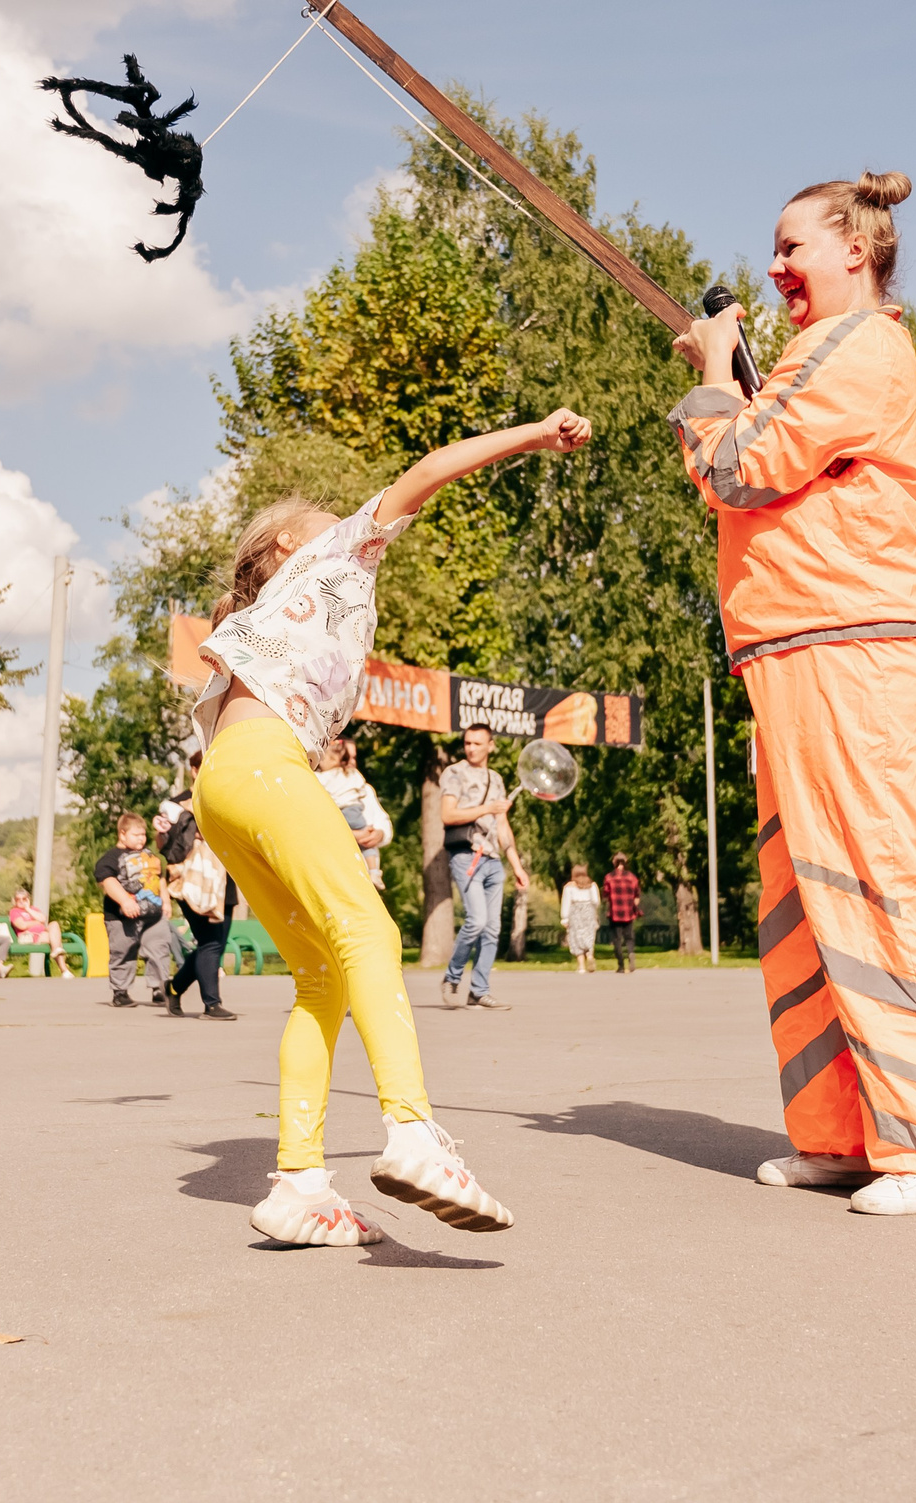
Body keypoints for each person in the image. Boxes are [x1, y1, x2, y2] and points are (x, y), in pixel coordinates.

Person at [671, 170, 916, 1217]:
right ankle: (846, 1137)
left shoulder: (863, 348)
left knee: (877, 889)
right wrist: (728, 381)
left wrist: (715, 374)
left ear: (856, 248)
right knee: (807, 908)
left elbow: (741, 470)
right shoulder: (816, 355)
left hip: (867, 652)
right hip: (798, 650)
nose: (774, 268)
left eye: (792, 246)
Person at [191, 405, 591, 1246]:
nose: (347, 524)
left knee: (320, 978)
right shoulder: (328, 561)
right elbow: (428, 469)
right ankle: (412, 1132)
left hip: (224, 783)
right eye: (323, 522)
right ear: (280, 552)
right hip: (266, 766)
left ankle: (298, 1182)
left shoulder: (259, 620)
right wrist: (532, 435)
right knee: (368, 931)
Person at [437, 723, 528, 1011]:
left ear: (491, 746)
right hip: (466, 856)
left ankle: (479, 991)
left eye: (478, 743)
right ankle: (452, 976)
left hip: (492, 861)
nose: (471, 748)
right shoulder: (454, 772)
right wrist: (486, 809)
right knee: (476, 920)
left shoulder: (496, 779)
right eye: (467, 743)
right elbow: (448, 815)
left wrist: (517, 865)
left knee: (491, 929)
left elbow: (502, 826)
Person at [155, 774, 239, 1021]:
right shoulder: (178, 804)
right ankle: (212, 1005)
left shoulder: (228, 799)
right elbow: (166, 847)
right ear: (195, 770)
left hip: (226, 882)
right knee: (210, 942)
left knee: (214, 945)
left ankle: (173, 988)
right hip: (194, 882)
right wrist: (161, 830)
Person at [93, 813, 175, 1007]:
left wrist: (166, 901)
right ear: (122, 834)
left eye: (144, 834)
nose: (142, 838)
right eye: (136, 834)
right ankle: (120, 992)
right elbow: (107, 881)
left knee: (159, 949)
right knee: (123, 952)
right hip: (122, 917)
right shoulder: (111, 858)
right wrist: (124, 901)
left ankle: (159, 988)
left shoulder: (150, 856)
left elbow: (159, 877)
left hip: (153, 915)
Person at [311, 739, 391, 888]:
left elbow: (384, 822)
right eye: (348, 757)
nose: (351, 761)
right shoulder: (321, 788)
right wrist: (354, 835)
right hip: (334, 875)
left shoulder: (364, 788)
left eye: (354, 757)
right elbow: (314, 828)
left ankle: (374, 872)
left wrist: (380, 834)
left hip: (363, 880)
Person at [4, 888, 75, 977]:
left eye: (24, 899)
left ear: (28, 899)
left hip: (42, 934)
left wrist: (28, 909)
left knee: (54, 924)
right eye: (18, 899)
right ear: (14, 901)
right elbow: (22, 925)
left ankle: (58, 954)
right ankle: (64, 969)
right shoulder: (14, 911)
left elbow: (43, 919)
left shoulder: (33, 909)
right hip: (29, 936)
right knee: (55, 941)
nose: (21, 901)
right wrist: (37, 922)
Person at [559, 861, 601, 975]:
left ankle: (581, 966)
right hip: (589, 912)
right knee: (588, 936)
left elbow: (566, 902)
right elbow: (596, 901)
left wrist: (565, 918)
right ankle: (590, 955)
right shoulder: (592, 885)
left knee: (576, 938)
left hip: (575, 913)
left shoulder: (569, 887)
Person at [602, 853, 642, 973]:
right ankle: (630, 953)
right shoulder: (632, 877)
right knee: (629, 937)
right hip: (628, 912)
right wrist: (634, 906)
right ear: (625, 863)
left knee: (617, 939)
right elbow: (637, 895)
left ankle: (621, 966)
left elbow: (605, 895)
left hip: (615, 913)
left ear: (614, 863)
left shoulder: (609, 877)